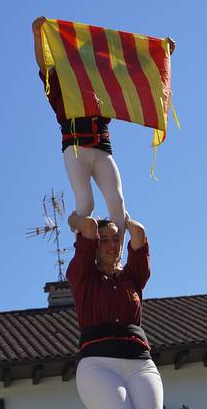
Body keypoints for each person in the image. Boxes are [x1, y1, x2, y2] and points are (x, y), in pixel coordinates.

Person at [32, 16, 175, 258]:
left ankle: (114, 258)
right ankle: (85, 250)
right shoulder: (62, 83)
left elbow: (135, 69)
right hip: (75, 149)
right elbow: (45, 68)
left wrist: (164, 52)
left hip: (101, 149)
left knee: (118, 204)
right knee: (86, 204)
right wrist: (37, 36)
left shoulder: (101, 83)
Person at [67, 212, 163, 409]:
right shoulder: (83, 275)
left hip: (139, 362)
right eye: (104, 240)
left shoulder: (132, 276)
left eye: (116, 239)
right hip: (98, 364)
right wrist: (76, 223)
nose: (112, 245)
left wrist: (121, 216)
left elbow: (138, 232)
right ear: (94, 245)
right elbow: (89, 225)